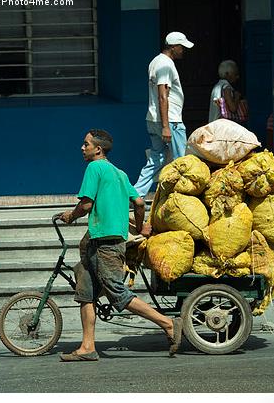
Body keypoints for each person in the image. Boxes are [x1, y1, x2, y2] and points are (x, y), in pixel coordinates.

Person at [59, 129, 182, 362]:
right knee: (86, 292)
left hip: (107, 244)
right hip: (101, 242)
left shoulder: (94, 168)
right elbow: (138, 201)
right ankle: (87, 347)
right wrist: (141, 225)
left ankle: (168, 324)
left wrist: (70, 216)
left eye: (86, 144)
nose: (82, 148)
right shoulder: (119, 173)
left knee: (117, 293)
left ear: (98, 149)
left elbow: (85, 205)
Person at [133, 31, 194, 198]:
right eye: (181, 47)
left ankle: (135, 194)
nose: (183, 50)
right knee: (180, 160)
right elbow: (162, 95)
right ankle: (181, 197)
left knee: (156, 159)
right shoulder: (165, 65)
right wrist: (166, 126)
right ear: (173, 47)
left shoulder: (155, 62)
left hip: (153, 119)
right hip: (170, 121)